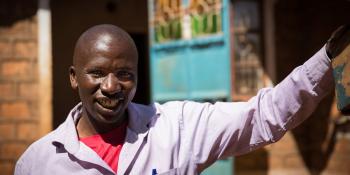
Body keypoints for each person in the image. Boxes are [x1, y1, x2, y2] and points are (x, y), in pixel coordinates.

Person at [14, 24, 348, 175]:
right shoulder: (37, 163)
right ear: (74, 77)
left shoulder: (176, 127)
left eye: (125, 73)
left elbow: (263, 114)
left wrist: (327, 60)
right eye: (97, 73)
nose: (112, 86)